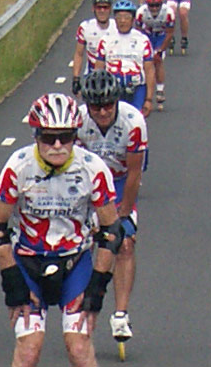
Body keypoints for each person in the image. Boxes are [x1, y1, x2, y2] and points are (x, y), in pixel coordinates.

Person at [0, 93, 120, 367]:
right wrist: (12, 280)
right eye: (48, 138)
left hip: (75, 262)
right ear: (36, 136)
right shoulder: (19, 165)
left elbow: (110, 232)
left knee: (79, 349)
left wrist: (98, 286)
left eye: (66, 137)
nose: (57, 145)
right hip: (28, 262)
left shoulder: (92, 168)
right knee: (29, 350)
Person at [78, 71, 148, 347]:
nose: (103, 112)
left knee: (124, 243)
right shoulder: (79, 121)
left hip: (119, 184)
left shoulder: (134, 122)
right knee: (84, 245)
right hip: (85, 187)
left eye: (109, 105)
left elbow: (134, 174)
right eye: (97, 107)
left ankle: (120, 314)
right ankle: (81, 304)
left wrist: (123, 213)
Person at [95, 0, 155, 116]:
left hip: (137, 88)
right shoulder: (106, 40)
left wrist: (148, 99)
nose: (122, 21)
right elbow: (99, 69)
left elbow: (149, 70)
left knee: (135, 119)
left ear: (133, 20)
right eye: (119, 17)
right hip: (113, 88)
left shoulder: (142, 40)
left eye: (126, 17)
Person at [71, 0, 118, 95]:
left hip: (114, 72)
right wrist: (76, 79)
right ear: (93, 8)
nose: (102, 10)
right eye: (99, 7)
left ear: (110, 9)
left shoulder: (117, 27)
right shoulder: (85, 27)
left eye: (105, 7)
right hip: (92, 74)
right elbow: (79, 54)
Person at [135, 0, 176, 109]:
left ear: (161, 5)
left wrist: (160, 50)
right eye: (151, 6)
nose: (154, 8)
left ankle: (160, 90)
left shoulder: (168, 13)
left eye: (157, 6)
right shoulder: (141, 12)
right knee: (146, 64)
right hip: (146, 35)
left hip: (161, 36)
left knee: (158, 61)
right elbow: (137, 32)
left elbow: (170, 34)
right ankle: (146, 91)